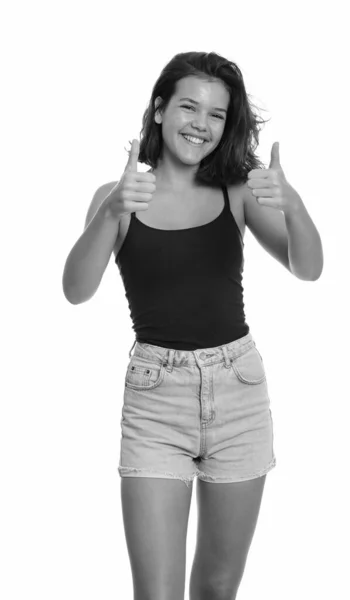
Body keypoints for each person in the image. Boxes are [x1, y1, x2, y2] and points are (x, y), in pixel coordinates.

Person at [62, 51, 323, 600]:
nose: (200, 124)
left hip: (239, 394)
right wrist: (111, 211)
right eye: (188, 106)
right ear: (159, 110)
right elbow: (76, 291)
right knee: (156, 593)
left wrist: (295, 207)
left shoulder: (237, 190)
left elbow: (308, 268)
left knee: (216, 588)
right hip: (156, 402)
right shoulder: (119, 198)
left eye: (217, 114)